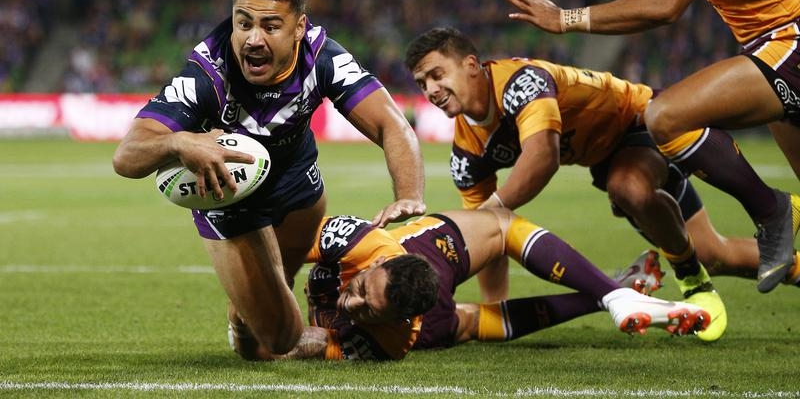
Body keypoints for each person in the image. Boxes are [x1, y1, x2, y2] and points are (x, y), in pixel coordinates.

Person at [500, 0, 800, 294]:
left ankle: (771, 210)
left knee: (664, 117)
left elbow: (665, 4)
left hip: (787, 40)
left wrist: (565, 18)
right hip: (778, 38)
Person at [404, 27, 800, 342]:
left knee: (627, 187)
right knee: (715, 253)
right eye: (422, 83)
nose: (431, 90)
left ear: (471, 65)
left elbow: (543, 156)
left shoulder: (521, 82)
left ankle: (691, 276)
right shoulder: (466, 153)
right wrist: (497, 307)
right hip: (609, 160)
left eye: (438, 74)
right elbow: (486, 235)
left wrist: (494, 208)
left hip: (645, 120)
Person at [112, 0, 426, 356]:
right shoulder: (208, 73)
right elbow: (126, 156)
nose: (253, 39)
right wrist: (180, 142)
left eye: (270, 26)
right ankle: (245, 319)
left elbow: (391, 124)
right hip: (232, 200)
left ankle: (257, 305)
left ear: (299, 28)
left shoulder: (322, 57)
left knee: (282, 286)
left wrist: (408, 193)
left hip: (298, 185)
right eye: (243, 23)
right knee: (278, 340)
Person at [227, 209, 708, 361]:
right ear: (376, 265)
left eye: (368, 310)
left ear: (397, 320)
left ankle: (614, 294)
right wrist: (262, 290)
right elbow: (283, 246)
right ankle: (614, 292)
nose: (352, 306)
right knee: (501, 226)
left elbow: (296, 345)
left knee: (471, 321)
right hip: (428, 250)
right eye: (360, 292)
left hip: (429, 316)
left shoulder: (393, 340)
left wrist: (247, 326)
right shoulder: (361, 242)